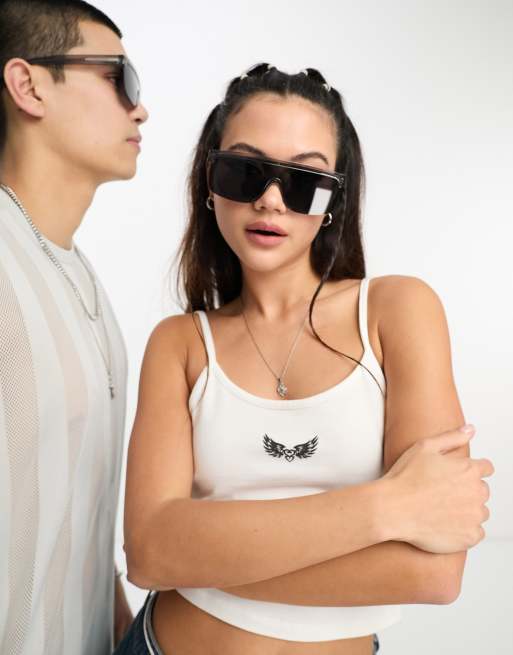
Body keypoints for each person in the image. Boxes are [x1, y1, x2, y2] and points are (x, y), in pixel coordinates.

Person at [116, 63, 493, 655]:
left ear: (334, 201)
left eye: (304, 181)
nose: (270, 199)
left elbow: (432, 574)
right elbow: (149, 555)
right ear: (209, 183)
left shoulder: (396, 312)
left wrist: (200, 554)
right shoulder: (180, 343)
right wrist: (388, 508)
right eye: (244, 171)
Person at [0, 1, 148, 653]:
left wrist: (117, 620)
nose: (140, 108)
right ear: (28, 86)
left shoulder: (81, 276)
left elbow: (71, 500)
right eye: (119, 78)